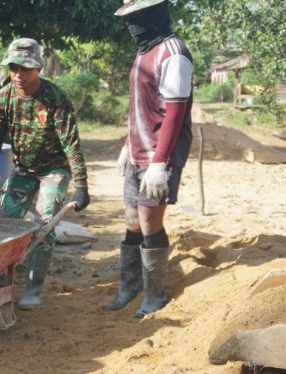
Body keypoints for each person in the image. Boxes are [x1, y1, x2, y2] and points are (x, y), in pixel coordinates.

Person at [0, 38, 90, 310]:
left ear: (38, 68)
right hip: (23, 169)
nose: (19, 75)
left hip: (53, 170)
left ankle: (33, 289)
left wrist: (81, 184)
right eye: (14, 68)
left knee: (44, 226)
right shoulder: (4, 98)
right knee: (4, 223)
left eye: (26, 69)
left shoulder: (55, 98)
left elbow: (71, 144)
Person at [104, 0, 193, 318]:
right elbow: (140, 104)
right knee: (131, 221)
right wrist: (128, 145)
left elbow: (174, 112)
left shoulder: (173, 53)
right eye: (129, 17)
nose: (133, 24)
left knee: (149, 221)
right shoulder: (144, 49)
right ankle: (130, 287)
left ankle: (154, 295)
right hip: (138, 151)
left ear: (155, 13)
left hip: (160, 156)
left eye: (138, 16)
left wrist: (159, 163)